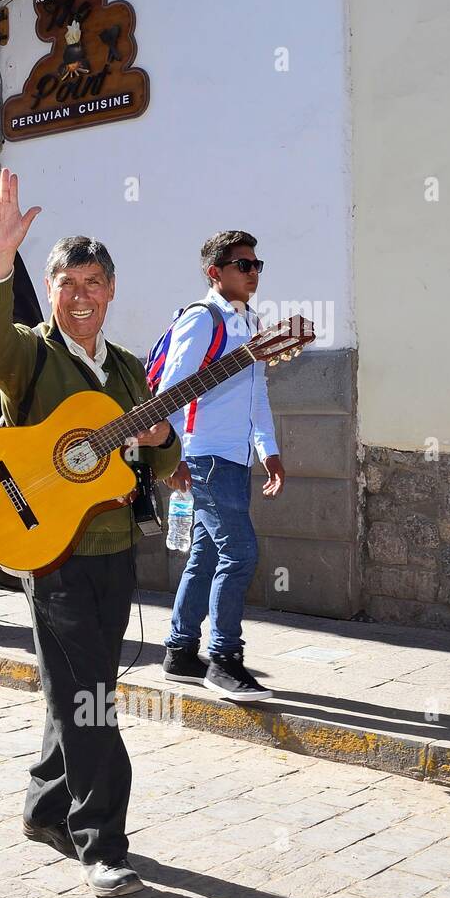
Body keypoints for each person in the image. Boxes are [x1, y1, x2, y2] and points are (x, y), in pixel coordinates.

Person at [0, 169, 182, 898]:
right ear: (51, 292)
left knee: (75, 687)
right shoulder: (31, 352)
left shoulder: (125, 369)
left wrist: (157, 436)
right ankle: (103, 841)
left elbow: (165, 458)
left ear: (111, 291)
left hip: (113, 550)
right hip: (49, 552)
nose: (81, 295)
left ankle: (44, 803)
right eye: (68, 283)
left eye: (93, 282)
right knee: (91, 695)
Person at [155, 231, 283, 703]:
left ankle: (180, 652)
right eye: (243, 265)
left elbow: (257, 393)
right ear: (215, 272)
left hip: (235, 457)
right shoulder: (202, 319)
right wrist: (171, 456)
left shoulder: (250, 323)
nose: (253, 273)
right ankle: (225, 659)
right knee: (241, 553)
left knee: (206, 555)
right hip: (203, 455)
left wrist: (268, 449)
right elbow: (172, 388)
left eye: (256, 264)